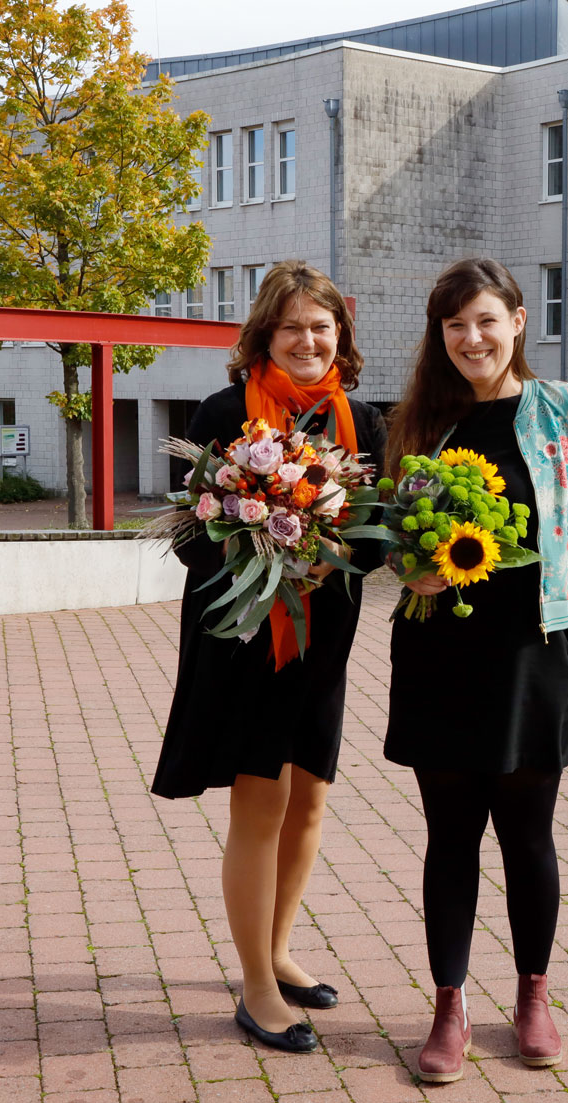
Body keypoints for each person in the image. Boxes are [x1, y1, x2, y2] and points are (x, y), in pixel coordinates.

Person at [384, 257, 568, 1083]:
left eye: (485, 320)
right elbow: (392, 532)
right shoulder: (421, 422)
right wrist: (408, 568)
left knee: (529, 836)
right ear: (440, 333)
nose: (472, 338)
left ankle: (533, 994)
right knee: (450, 839)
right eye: (455, 324)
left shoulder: (564, 410)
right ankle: (449, 1004)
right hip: (440, 653)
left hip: (537, 655)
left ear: (518, 321)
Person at [151, 260, 387, 1053]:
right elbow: (187, 535)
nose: (309, 339)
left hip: (325, 643)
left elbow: (376, 533)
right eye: (293, 327)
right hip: (247, 641)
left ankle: (279, 950)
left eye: (322, 327)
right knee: (260, 803)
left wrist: (335, 559)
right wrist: (267, 560)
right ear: (266, 335)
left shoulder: (365, 423)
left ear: (340, 337)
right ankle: (256, 985)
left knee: (310, 799)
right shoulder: (224, 413)